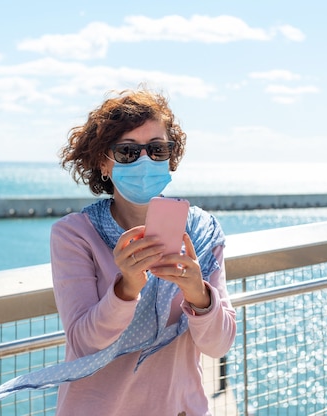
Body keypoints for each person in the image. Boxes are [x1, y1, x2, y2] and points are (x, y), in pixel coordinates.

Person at [50, 88, 237, 415]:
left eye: (157, 149)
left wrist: (198, 294)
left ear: (170, 157)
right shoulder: (75, 235)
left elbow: (218, 345)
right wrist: (125, 289)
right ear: (103, 163)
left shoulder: (203, 232)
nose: (145, 160)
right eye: (126, 151)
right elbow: (84, 343)